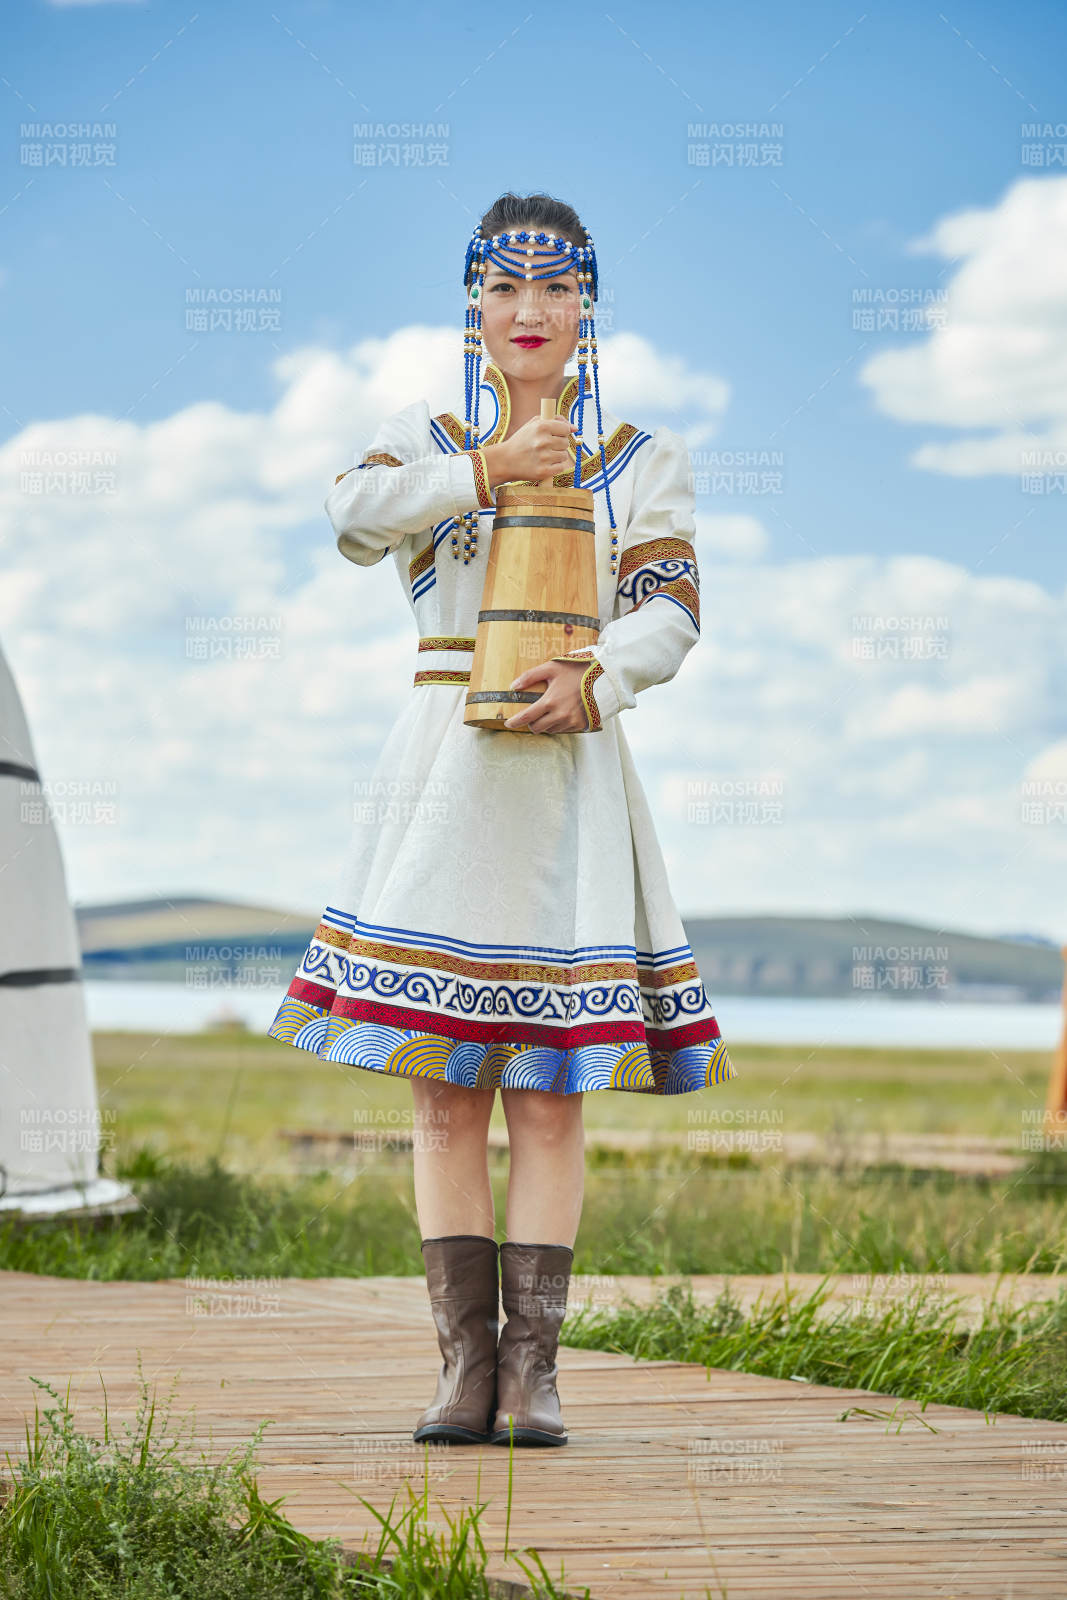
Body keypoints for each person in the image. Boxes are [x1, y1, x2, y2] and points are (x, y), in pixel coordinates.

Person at [268, 191, 736, 1449]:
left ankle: (533, 1376)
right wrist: (482, 469)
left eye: (556, 290)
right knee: (438, 1092)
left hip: (569, 773)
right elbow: (345, 519)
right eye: (504, 289)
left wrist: (600, 672)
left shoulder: (641, 456)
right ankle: (459, 1371)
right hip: (436, 774)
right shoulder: (414, 443)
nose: (529, 312)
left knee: (548, 1097)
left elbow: (674, 608)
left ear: (587, 307)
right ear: (470, 303)